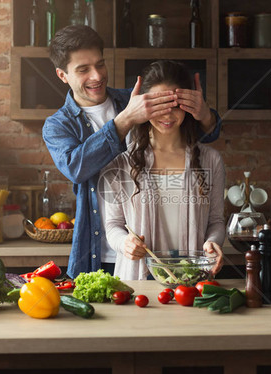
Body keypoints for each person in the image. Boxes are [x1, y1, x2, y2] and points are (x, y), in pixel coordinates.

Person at [43, 25, 221, 279]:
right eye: (83, 69)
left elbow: (200, 135)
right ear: (62, 75)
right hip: (98, 253)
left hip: (154, 252)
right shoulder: (58, 125)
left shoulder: (137, 97)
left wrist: (204, 114)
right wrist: (124, 120)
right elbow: (76, 168)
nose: (96, 76)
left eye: (100, 64)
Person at [102, 60, 225, 280]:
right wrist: (124, 243)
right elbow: (113, 225)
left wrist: (213, 243)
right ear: (143, 105)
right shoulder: (121, 163)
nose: (167, 114)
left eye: (175, 104)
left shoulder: (211, 160)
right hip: (138, 281)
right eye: (159, 104)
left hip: (193, 281)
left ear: (188, 105)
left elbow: (216, 221)